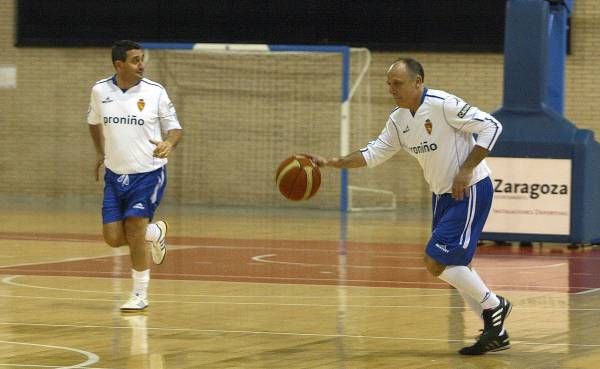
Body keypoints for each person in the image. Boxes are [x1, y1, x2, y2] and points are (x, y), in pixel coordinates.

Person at [307, 58, 511, 355]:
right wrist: (334, 162)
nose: (392, 89)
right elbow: (374, 152)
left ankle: (495, 305)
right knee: (456, 266)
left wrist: (466, 169)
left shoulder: (443, 104)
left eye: (398, 83)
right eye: (389, 84)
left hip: (470, 189)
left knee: (434, 261)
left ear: (418, 82)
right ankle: (497, 333)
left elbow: (493, 126)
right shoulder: (398, 120)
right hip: (442, 195)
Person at [87, 40, 183, 312]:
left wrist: (169, 143)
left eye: (142, 59)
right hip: (115, 175)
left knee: (134, 228)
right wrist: (99, 153)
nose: (142, 64)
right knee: (112, 237)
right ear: (119, 65)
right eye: (135, 60)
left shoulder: (155, 92)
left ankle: (140, 293)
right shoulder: (100, 90)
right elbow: (93, 123)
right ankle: (155, 232)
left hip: (148, 173)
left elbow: (175, 129)